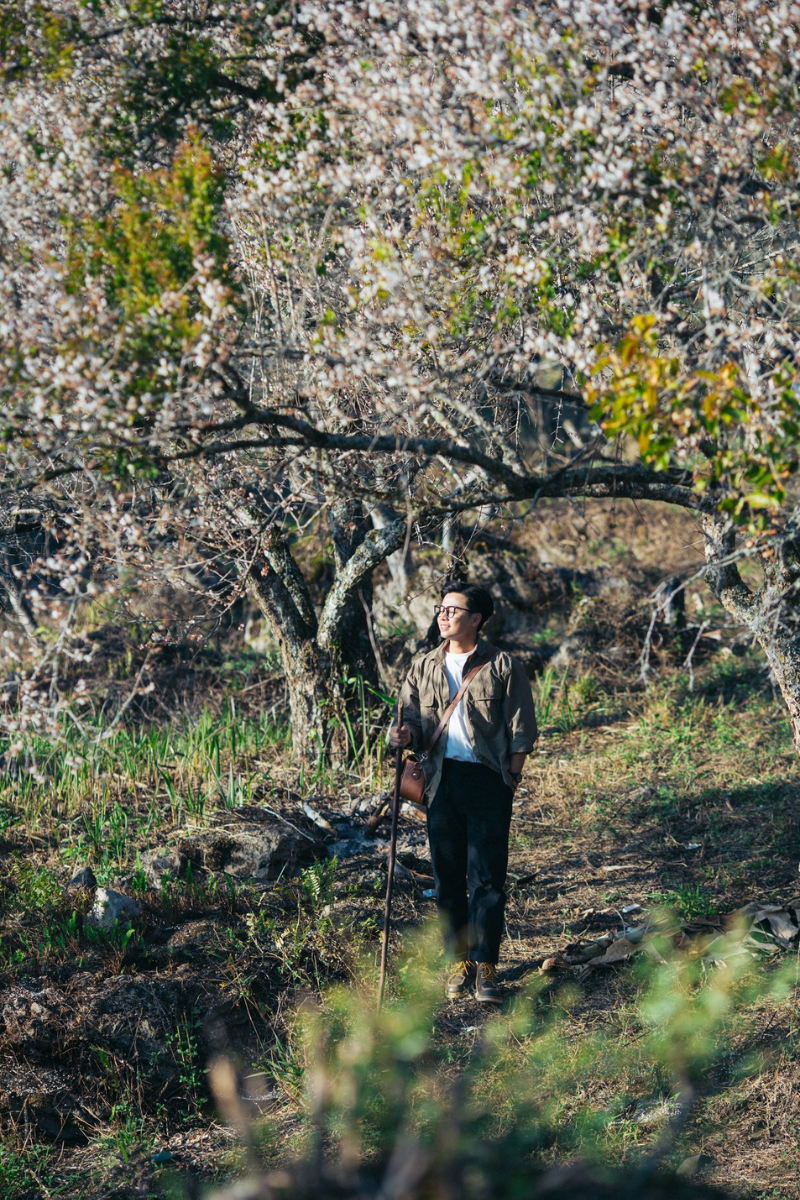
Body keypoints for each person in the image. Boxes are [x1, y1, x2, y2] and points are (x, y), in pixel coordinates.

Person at [390, 580, 538, 1002]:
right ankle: (458, 961)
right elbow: (413, 721)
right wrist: (401, 735)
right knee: (447, 877)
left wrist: (510, 779)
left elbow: (521, 728)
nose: (443, 615)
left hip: (488, 779)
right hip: (440, 781)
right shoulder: (422, 666)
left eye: (453, 610)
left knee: (488, 877)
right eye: (441, 609)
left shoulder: (503, 666)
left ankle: (486, 965)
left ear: (476, 619)